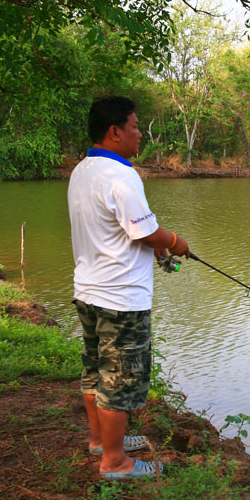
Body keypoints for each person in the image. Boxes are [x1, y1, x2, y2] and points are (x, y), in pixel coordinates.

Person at [68, 96, 191, 479]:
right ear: (115, 131)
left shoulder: (83, 171)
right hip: (120, 298)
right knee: (118, 382)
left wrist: (154, 248)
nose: (140, 135)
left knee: (95, 370)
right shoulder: (122, 176)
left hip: (88, 291)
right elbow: (146, 230)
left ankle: (100, 441)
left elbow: (118, 231)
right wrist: (174, 243)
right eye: (136, 128)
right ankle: (115, 463)